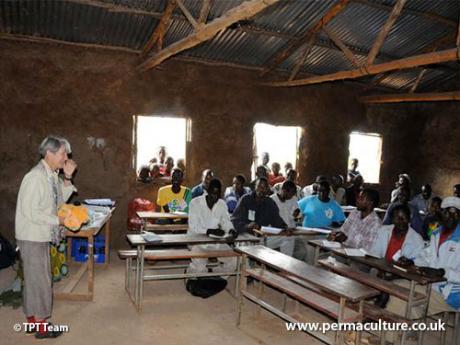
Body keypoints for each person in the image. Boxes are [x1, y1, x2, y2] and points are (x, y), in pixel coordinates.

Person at [15, 135, 77, 339]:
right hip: (31, 236)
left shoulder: (50, 175)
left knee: (35, 280)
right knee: (40, 281)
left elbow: (60, 199)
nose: (66, 157)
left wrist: (67, 178)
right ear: (49, 154)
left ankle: (33, 320)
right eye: (62, 153)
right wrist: (59, 221)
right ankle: (41, 327)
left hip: (39, 235)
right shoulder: (35, 177)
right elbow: (31, 212)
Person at [385, 197, 460, 319]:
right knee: (395, 287)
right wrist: (412, 261)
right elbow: (426, 256)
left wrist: (443, 272)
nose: (451, 217)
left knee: (402, 299)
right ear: (440, 213)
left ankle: (394, 334)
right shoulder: (437, 233)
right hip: (432, 284)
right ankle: (407, 330)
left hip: (451, 293)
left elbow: (447, 273)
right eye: (447, 212)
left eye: (456, 213)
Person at [187, 179, 237, 275]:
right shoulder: (195, 203)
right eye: (212, 193)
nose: (214, 197)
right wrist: (209, 231)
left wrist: (231, 230)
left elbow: (225, 221)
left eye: (217, 194)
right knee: (200, 269)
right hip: (197, 242)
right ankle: (190, 273)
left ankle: (216, 274)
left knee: (233, 261)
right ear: (207, 191)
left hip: (215, 241)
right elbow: (193, 227)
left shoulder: (221, 204)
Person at [329, 189, 381, 253]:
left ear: (370, 203)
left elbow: (366, 250)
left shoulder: (375, 223)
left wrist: (346, 238)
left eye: (361, 198)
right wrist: (335, 236)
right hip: (343, 251)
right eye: (358, 197)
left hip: (357, 258)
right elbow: (343, 231)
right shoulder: (355, 212)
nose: (357, 200)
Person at [268, 181, 300, 257]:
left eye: (293, 194)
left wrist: (296, 214)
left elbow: (296, 216)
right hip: (275, 232)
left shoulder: (293, 199)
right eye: (291, 194)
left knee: (289, 240)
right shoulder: (271, 200)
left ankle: (286, 263)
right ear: (284, 191)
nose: (292, 196)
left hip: (289, 232)